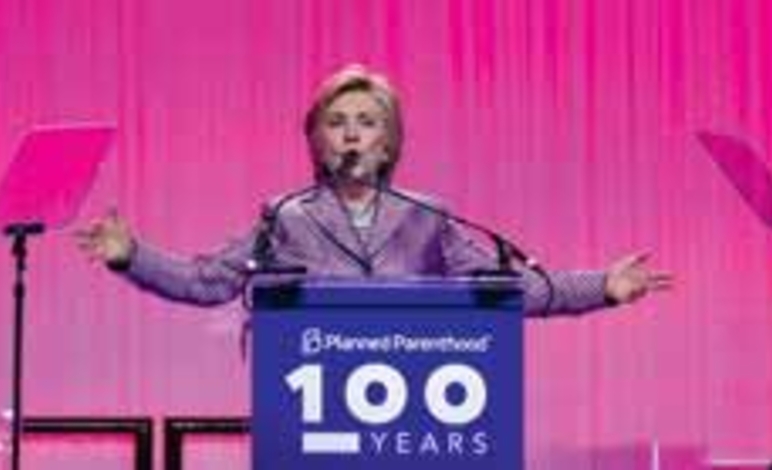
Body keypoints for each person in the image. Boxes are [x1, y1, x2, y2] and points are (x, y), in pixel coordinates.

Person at [76, 64, 672, 316]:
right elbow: (209, 282)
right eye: (337, 123)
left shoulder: (426, 217)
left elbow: (503, 290)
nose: (351, 134)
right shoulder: (286, 215)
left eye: (367, 122)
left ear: (388, 144)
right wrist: (132, 255)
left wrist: (602, 286)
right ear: (317, 143)